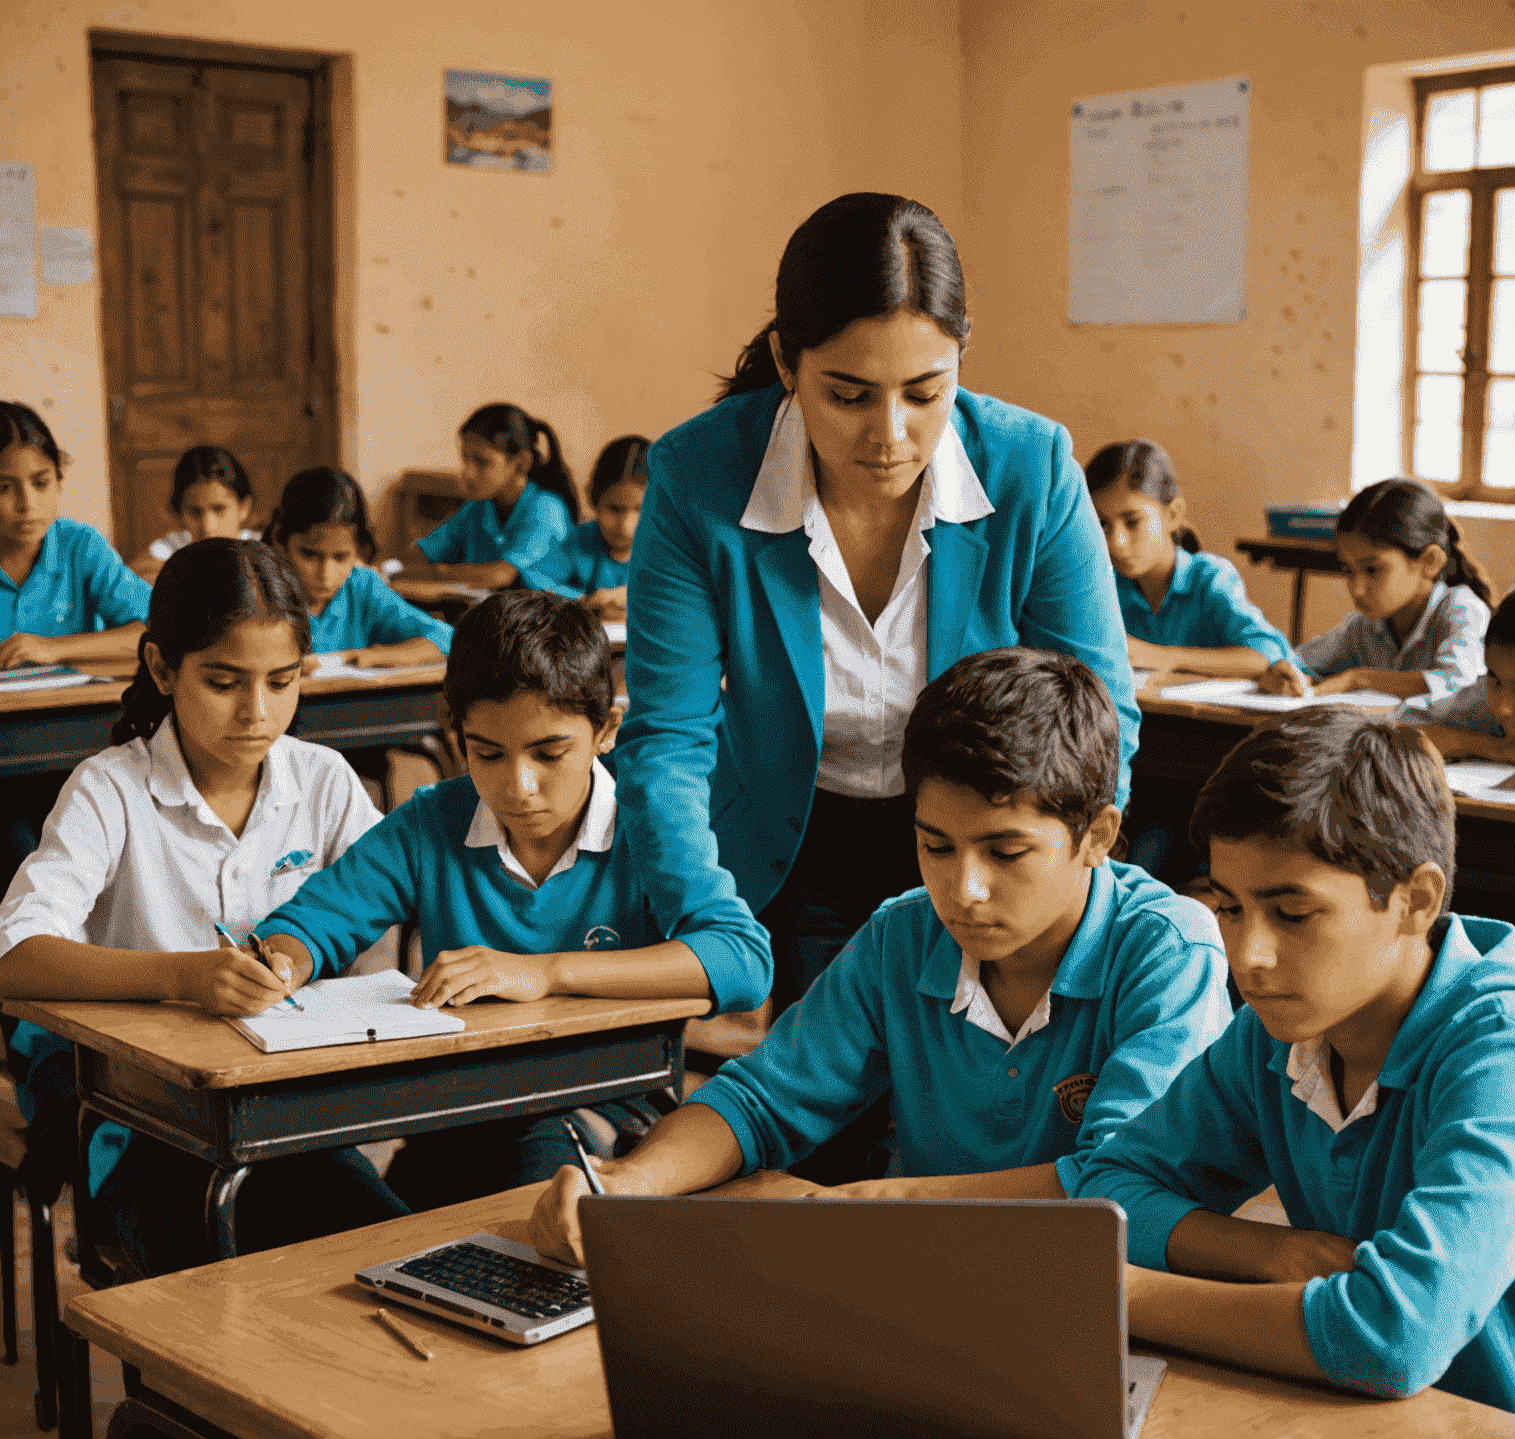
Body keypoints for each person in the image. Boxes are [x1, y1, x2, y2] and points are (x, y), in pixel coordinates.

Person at [616, 193, 1139, 1024]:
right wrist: (708, 917)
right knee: (832, 1115)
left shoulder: (1031, 469)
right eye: (849, 395)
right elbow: (668, 740)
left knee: (974, 1101)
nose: (890, 435)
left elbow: (1101, 713)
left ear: (962, 359)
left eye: (925, 393)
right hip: (797, 843)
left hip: (987, 844)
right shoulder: (699, 476)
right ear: (788, 363)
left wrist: (1040, 880)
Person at [527, 648, 1231, 1264]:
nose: (964, 890)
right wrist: (630, 1181)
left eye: (1006, 851)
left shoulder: (1169, 950)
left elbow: (1115, 1187)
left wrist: (872, 1202)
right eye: (935, 845)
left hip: (1110, 1310)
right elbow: (761, 1101)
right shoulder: (905, 935)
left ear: (1098, 836)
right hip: (925, 1278)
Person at [0, 538, 408, 1439]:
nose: (256, 714)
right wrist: (181, 977)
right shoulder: (112, 789)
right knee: (214, 1299)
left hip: (286, 1127)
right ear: (161, 668)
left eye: (283, 682)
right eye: (224, 683)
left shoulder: (321, 783)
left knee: (379, 1258)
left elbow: (390, 911)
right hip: (137, 1133)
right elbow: (15, 956)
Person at [1073, 708, 1515, 1419]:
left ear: (1414, 901)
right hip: (1360, 1427)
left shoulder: (1509, 1050)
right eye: (1229, 908)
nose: (1249, 958)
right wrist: (1275, 1258)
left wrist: (1123, 1298)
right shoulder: (1282, 1027)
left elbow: (1393, 1336)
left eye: (1292, 914)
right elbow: (1112, 1187)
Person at [251, 590, 771, 1208]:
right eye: (487, 754)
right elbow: (314, 920)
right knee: (331, 1205)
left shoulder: (650, 824)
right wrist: (283, 960)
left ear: (605, 730)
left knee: (536, 1186)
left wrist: (545, 973)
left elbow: (743, 961)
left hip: (604, 1107)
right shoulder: (433, 823)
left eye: (549, 753)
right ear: (457, 735)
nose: (518, 786)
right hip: (462, 1110)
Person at [1258, 478, 1492, 701]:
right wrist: (1281, 672)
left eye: (1372, 569)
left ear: (1429, 561)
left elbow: (1460, 684)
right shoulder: (1363, 627)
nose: (1357, 590)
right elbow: (1297, 662)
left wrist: (1361, 678)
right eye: (1348, 570)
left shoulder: (1462, 610)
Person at [1086, 438, 1295, 678]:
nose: (1115, 542)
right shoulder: (1106, 584)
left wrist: (1163, 656)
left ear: (1173, 515)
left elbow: (1265, 656)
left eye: (1132, 522)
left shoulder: (1210, 578)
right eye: (1102, 523)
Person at [0, 401, 149, 671]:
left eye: (41, 483)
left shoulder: (80, 546)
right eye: (4, 488)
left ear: (59, 480)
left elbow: (155, 631)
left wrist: (52, 648)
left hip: (78, 708)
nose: (27, 504)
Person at [266, 466, 453, 665]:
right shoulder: (264, 593)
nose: (325, 574)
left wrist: (365, 656)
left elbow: (446, 639)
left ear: (359, 551)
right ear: (281, 542)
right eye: (309, 554)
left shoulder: (362, 588)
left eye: (341, 557)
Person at [416, 403, 578, 588]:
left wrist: (440, 571)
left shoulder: (547, 509)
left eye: (482, 462)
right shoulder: (477, 508)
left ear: (521, 462)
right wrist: (392, 567)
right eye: (465, 459)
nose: (467, 472)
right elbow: (424, 552)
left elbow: (500, 576)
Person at [1396, 574, 1515, 787]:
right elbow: (1400, 732)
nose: (1503, 707)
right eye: (1494, 679)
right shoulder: (1481, 702)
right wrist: (1496, 748)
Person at [522, 434, 648, 623]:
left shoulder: (670, 548)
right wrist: (584, 601)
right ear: (592, 497)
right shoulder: (581, 542)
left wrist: (628, 596)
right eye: (614, 509)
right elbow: (535, 577)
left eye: (640, 510)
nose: (626, 526)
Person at [129, 444, 259, 581]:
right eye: (195, 512)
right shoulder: (169, 550)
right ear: (180, 511)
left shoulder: (262, 550)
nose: (208, 527)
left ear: (244, 507)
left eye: (219, 509)